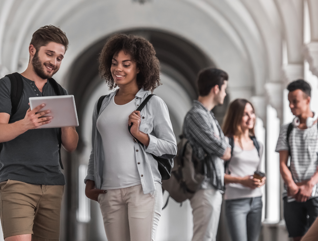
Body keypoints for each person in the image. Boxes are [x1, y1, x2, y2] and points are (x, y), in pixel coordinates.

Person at [84, 34, 177, 241]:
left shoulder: (153, 103)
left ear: (139, 68)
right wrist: (90, 180)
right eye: (115, 63)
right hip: (109, 191)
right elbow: (97, 148)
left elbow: (171, 147)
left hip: (142, 189)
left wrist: (140, 135)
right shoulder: (102, 104)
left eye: (126, 64)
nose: (118, 69)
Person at [0, 25, 79, 241]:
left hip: (52, 184)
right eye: (50, 54)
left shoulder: (60, 92)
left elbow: (71, 145)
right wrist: (26, 123)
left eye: (60, 58)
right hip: (17, 182)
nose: (54, 62)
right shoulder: (8, 85)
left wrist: (66, 123)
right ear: (32, 50)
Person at [183, 67, 231, 241]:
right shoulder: (196, 116)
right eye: (224, 89)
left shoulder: (207, 116)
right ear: (215, 89)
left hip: (212, 186)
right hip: (204, 186)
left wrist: (222, 146)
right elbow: (222, 149)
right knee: (204, 237)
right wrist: (223, 147)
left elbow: (223, 148)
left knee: (207, 237)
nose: (225, 94)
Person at [276, 79, 318, 241]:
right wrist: (292, 186)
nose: (291, 106)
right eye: (289, 102)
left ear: (308, 100)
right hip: (292, 195)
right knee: (297, 238)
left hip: (315, 194)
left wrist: (310, 184)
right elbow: (282, 163)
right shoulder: (286, 130)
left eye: (295, 102)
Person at [222, 99, 266, 241]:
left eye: (252, 112)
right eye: (245, 114)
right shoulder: (226, 143)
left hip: (256, 201)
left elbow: (259, 171)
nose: (250, 117)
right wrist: (242, 181)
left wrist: (261, 180)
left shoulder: (258, 144)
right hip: (235, 201)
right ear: (236, 116)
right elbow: (217, 175)